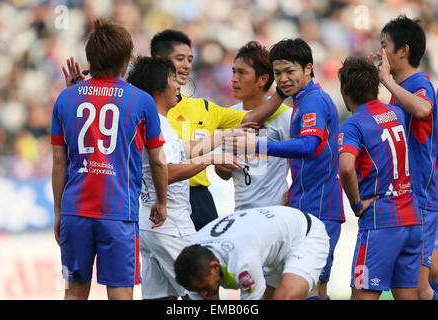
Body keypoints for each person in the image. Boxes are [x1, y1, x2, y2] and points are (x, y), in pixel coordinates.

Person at [51, 19, 168, 300]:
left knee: (75, 293)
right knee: (120, 293)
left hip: (75, 212)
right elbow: (158, 160)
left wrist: (59, 212)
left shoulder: (65, 98)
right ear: (126, 60)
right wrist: (161, 201)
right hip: (118, 214)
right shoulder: (141, 101)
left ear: (90, 57)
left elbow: (58, 162)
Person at [226, 38, 344, 300]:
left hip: (320, 206)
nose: (283, 78)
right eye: (277, 73)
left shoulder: (312, 101)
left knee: (310, 287)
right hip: (307, 201)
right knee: (310, 286)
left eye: (289, 71)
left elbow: (307, 146)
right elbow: (249, 120)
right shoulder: (301, 99)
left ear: (308, 68)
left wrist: (258, 145)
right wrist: (281, 90)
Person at [126, 56, 246, 300]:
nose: (179, 84)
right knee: (205, 291)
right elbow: (167, 170)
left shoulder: (149, 122)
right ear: (158, 87)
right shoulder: (158, 125)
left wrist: (224, 137)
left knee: (161, 298)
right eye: (173, 79)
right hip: (171, 223)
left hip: (148, 225)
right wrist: (210, 160)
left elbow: (185, 149)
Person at [149, 30, 286, 231]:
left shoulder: (206, 108)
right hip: (159, 198)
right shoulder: (142, 106)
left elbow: (250, 119)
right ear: (159, 61)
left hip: (201, 199)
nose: (187, 65)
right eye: (180, 59)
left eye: (190, 59)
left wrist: (284, 90)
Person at [338, 56, 422, 300]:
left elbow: (345, 167)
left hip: (381, 222)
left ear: (345, 90)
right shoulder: (396, 112)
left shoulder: (354, 125)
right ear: (375, 86)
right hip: (411, 219)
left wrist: (356, 204)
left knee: (363, 295)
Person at [372, 15, 438, 300]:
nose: (379, 53)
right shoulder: (397, 92)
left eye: (384, 45)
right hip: (402, 199)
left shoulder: (420, 84)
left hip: (421, 200)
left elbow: (423, 109)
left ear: (403, 51)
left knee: (421, 289)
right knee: (406, 288)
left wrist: (385, 81)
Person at [174, 205, 330, 300]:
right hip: (271, 247)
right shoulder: (192, 270)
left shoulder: (242, 262)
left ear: (215, 266)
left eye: (203, 288)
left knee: (283, 298)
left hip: (304, 235)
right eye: (197, 290)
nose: (202, 294)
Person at [214, 41, 292, 211]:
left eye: (242, 73)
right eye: (233, 72)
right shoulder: (228, 115)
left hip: (275, 212)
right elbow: (223, 174)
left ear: (263, 79)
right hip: (241, 212)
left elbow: (301, 162)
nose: (234, 79)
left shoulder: (285, 116)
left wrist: (294, 192)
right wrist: (220, 167)